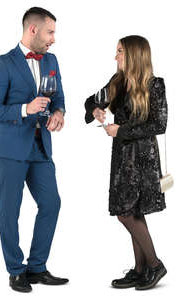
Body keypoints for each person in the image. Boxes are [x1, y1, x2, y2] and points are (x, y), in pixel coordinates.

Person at [0, 7, 69, 293]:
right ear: (33, 30)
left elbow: (58, 95)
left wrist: (59, 112)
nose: (53, 39)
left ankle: (37, 267)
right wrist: (25, 108)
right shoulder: (3, 63)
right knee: (10, 211)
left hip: (40, 145)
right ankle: (15, 270)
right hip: (9, 147)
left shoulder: (52, 60)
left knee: (51, 203)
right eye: (50, 32)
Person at [84, 35, 168, 290]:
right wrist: (95, 110)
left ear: (133, 54)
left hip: (143, 158)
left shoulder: (155, 85)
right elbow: (91, 101)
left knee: (126, 213)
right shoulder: (116, 82)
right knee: (132, 210)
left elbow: (159, 124)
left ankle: (154, 265)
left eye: (119, 51)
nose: (115, 56)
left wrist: (120, 131)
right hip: (122, 158)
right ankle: (140, 269)